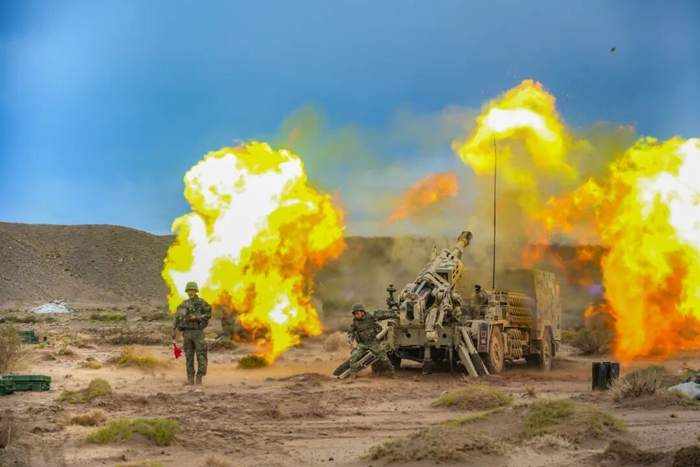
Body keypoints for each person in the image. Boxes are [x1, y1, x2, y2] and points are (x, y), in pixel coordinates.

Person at [171, 281, 212, 385]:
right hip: (187, 333)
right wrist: (173, 330)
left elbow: (208, 314)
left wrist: (197, 317)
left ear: (196, 291)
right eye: (189, 290)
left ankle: (199, 376)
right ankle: (190, 378)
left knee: (201, 356)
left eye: (192, 290)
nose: (191, 292)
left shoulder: (201, 303)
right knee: (189, 357)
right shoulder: (184, 304)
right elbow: (177, 317)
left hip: (198, 332)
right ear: (187, 291)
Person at [347, 303, 397, 379]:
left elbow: (382, 314)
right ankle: (352, 376)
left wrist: (396, 315)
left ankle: (392, 372)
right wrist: (350, 340)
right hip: (362, 343)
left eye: (357, 313)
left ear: (362, 312)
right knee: (353, 357)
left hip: (373, 342)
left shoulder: (370, 316)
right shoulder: (354, 321)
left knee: (383, 357)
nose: (356, 315)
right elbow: (351, 332)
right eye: (355, 314)